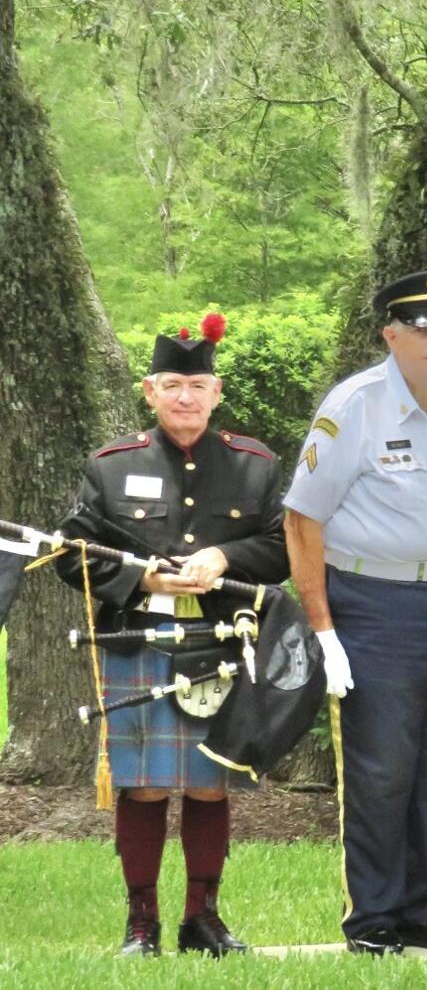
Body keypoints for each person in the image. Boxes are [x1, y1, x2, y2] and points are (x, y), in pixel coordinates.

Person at [56, 316, 288, 957]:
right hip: (140, 640)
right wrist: (144, 579)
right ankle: (141, 925)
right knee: (145, 784)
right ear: (149, 391)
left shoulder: (255, 466)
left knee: (212, 782)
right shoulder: (111, 466)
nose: (185, 397)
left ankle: (203, 919)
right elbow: (72, 554)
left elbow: (284, 548)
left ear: (216, 394)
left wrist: (224, 557)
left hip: (221, 642)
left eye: (197, 384)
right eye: (172, 384)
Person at [283, 270, 427, 956]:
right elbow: (302, 519)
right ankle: (371, 913)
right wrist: (323, 629)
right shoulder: (356, 406)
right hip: (376, 605)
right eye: (423, 327)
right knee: (381, 767)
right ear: (391, 333)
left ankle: (422, 908)